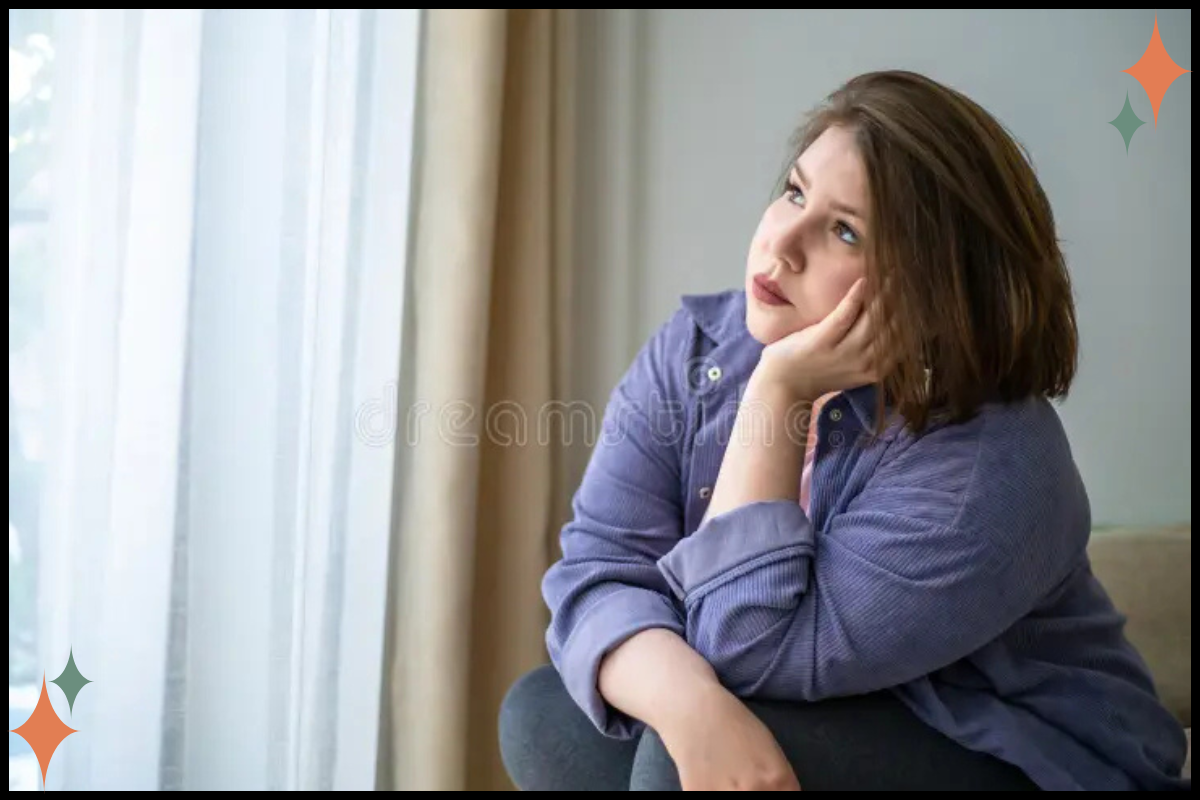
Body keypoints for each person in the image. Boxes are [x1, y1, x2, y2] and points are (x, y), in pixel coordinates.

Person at [498, 69, 1190, 791]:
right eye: (794, 192)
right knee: (545, 714)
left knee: (673, 763)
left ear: (933, 288)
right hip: (830, 708)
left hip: (1015, 753)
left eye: (844, 231)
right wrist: (691, 708)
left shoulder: (992, 464)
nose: (783, 245)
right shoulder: (700, 350)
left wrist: (778, 394)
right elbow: (597, 571)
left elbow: (751, 652)